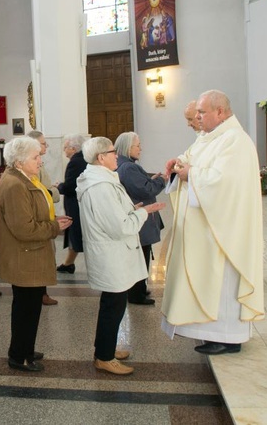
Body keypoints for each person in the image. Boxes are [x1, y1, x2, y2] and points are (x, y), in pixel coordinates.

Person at [162, 90, 264, 355]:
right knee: (209, 280)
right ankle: (210, 333)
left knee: (222, 283)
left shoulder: (235, 141)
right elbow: (193, 162)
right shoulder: (208, 138)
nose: (197, 117)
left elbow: (224, 183)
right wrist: (179, 165)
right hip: (206, 229)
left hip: (224, 231)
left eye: (202, 112)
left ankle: (228, 337)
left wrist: (191, 174)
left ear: (220, 112)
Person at [77, 137, 165, 375]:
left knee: (114, 304)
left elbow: (114, 215)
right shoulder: (100, 186)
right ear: (100, 158)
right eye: (112, 152)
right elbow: (120, 227)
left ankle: (105, 348)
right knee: (112, 305)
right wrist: (144, 212)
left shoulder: (103, 179)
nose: (117, 155)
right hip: (110, 254)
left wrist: (133, 210)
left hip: (112, 253)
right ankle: (104, 357)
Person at [0, 137, 72, 372]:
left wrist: (52, 220)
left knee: (30, 306)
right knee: (26, 308)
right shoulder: (15, 185)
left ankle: (24, 348)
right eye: (36, 157)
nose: (40, 161)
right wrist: (55, 227)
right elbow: (24, 229)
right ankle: (18, 355)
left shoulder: (23, 178)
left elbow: (31, 216)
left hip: (29, 255)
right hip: (24, 256)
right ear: (20, 160)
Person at [114, 132, 166, 306]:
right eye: (138, 145)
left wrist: (150, 180)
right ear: (128, 147)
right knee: (140, 256)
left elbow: (139, 185)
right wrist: (161, 181)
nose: (140, 148)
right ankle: (136, 294)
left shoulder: (126, 165)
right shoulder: (128, 167)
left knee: (141, 255)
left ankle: (139, 289)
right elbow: (145, 191)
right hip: (140, 219)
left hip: (138, 216)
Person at [27, 130, 60, 306]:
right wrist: (54, 191)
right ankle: (41, 293)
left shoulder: (39, 163)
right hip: (40, 220)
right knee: (42, 258)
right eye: (43, 143)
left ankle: (42, 292)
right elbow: (40, 192)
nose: (46, 146)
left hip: (46, 216)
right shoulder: (32, 166)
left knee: (48, 256)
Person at [56, 134, 87, 274]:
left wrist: (59, 187)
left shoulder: (75, 162)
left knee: (76, 233)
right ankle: (68, 263)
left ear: (73, 148)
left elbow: (70, 187)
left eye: (66, 147)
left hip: (76, 204)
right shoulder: (83, 158)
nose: (64, 150)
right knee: (74, 234)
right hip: (81, 203)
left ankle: (69, 264)